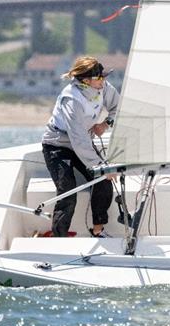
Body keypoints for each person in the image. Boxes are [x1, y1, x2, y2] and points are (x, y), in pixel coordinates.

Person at [42, 56, 120, 238]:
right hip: (57, 145)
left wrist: (105, 123)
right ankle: (59, 236)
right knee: (68, 188)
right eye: (99, 77)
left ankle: (98, 230)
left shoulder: (103, 88)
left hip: (83, 140)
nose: (104, 80)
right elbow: (78, 139)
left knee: (103, 180)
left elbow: (119, 106)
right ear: (86, 80)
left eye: (104, 76)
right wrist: (100, 166)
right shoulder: (71, 99)